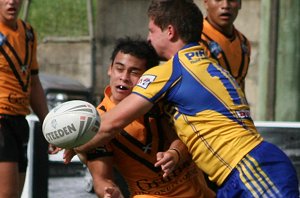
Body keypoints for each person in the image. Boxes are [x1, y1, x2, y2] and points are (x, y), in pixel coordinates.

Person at [73, 0, 299, 197]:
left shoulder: (171, 72)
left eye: (152, 31)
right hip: (239, 174)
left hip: (251, 169)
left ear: (169, 31)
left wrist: (71, 141)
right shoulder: (205, 63)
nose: (148, 39)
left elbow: (109, 125)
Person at [65, 37, 215, 198]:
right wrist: (109, 191)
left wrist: (175, 153)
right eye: (119, 69)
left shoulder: (162, 101)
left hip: (200, 192)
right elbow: (102, 177)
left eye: (134, 72)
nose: (124, 77)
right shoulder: (97, 122)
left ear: (149, 77)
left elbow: (187, 137)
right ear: (110, 69)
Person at [0, 0, 49, 197]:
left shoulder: (28, 33)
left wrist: (49, 125)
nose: (11, 1)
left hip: (19, 121)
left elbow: (34, 83)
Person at [201, 0, 250, 91]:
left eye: (232, 0)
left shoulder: (243, 43)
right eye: (218, 0)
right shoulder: (195, 39)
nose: (225, 5)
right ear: (206, 2)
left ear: (240, 3)